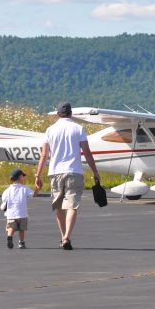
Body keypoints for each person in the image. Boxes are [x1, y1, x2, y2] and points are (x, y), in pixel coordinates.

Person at [35, 102, 100, 250]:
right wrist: (95, 172)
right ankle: (66, 237)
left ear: (58, 114)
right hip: (74, 171)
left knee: (59, 207)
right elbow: (87, 152)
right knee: (72, 206)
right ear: (71, 113)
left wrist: (38, 175)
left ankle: (63, 236)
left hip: (55, 172)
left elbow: (44, 154)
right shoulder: (79, 128)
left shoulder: (50, 130)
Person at [1, 168, 40, 249]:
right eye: (23, 176)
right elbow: (33, 195)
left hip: (11, 214)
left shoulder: (7, 190)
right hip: (22, 213)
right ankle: (21, 242)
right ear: (20, 178)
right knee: (21, 229)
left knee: (11, 227)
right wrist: (38, 188)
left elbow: (4, 201)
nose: (23, 178)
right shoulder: (24, 188)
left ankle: (9, 237)